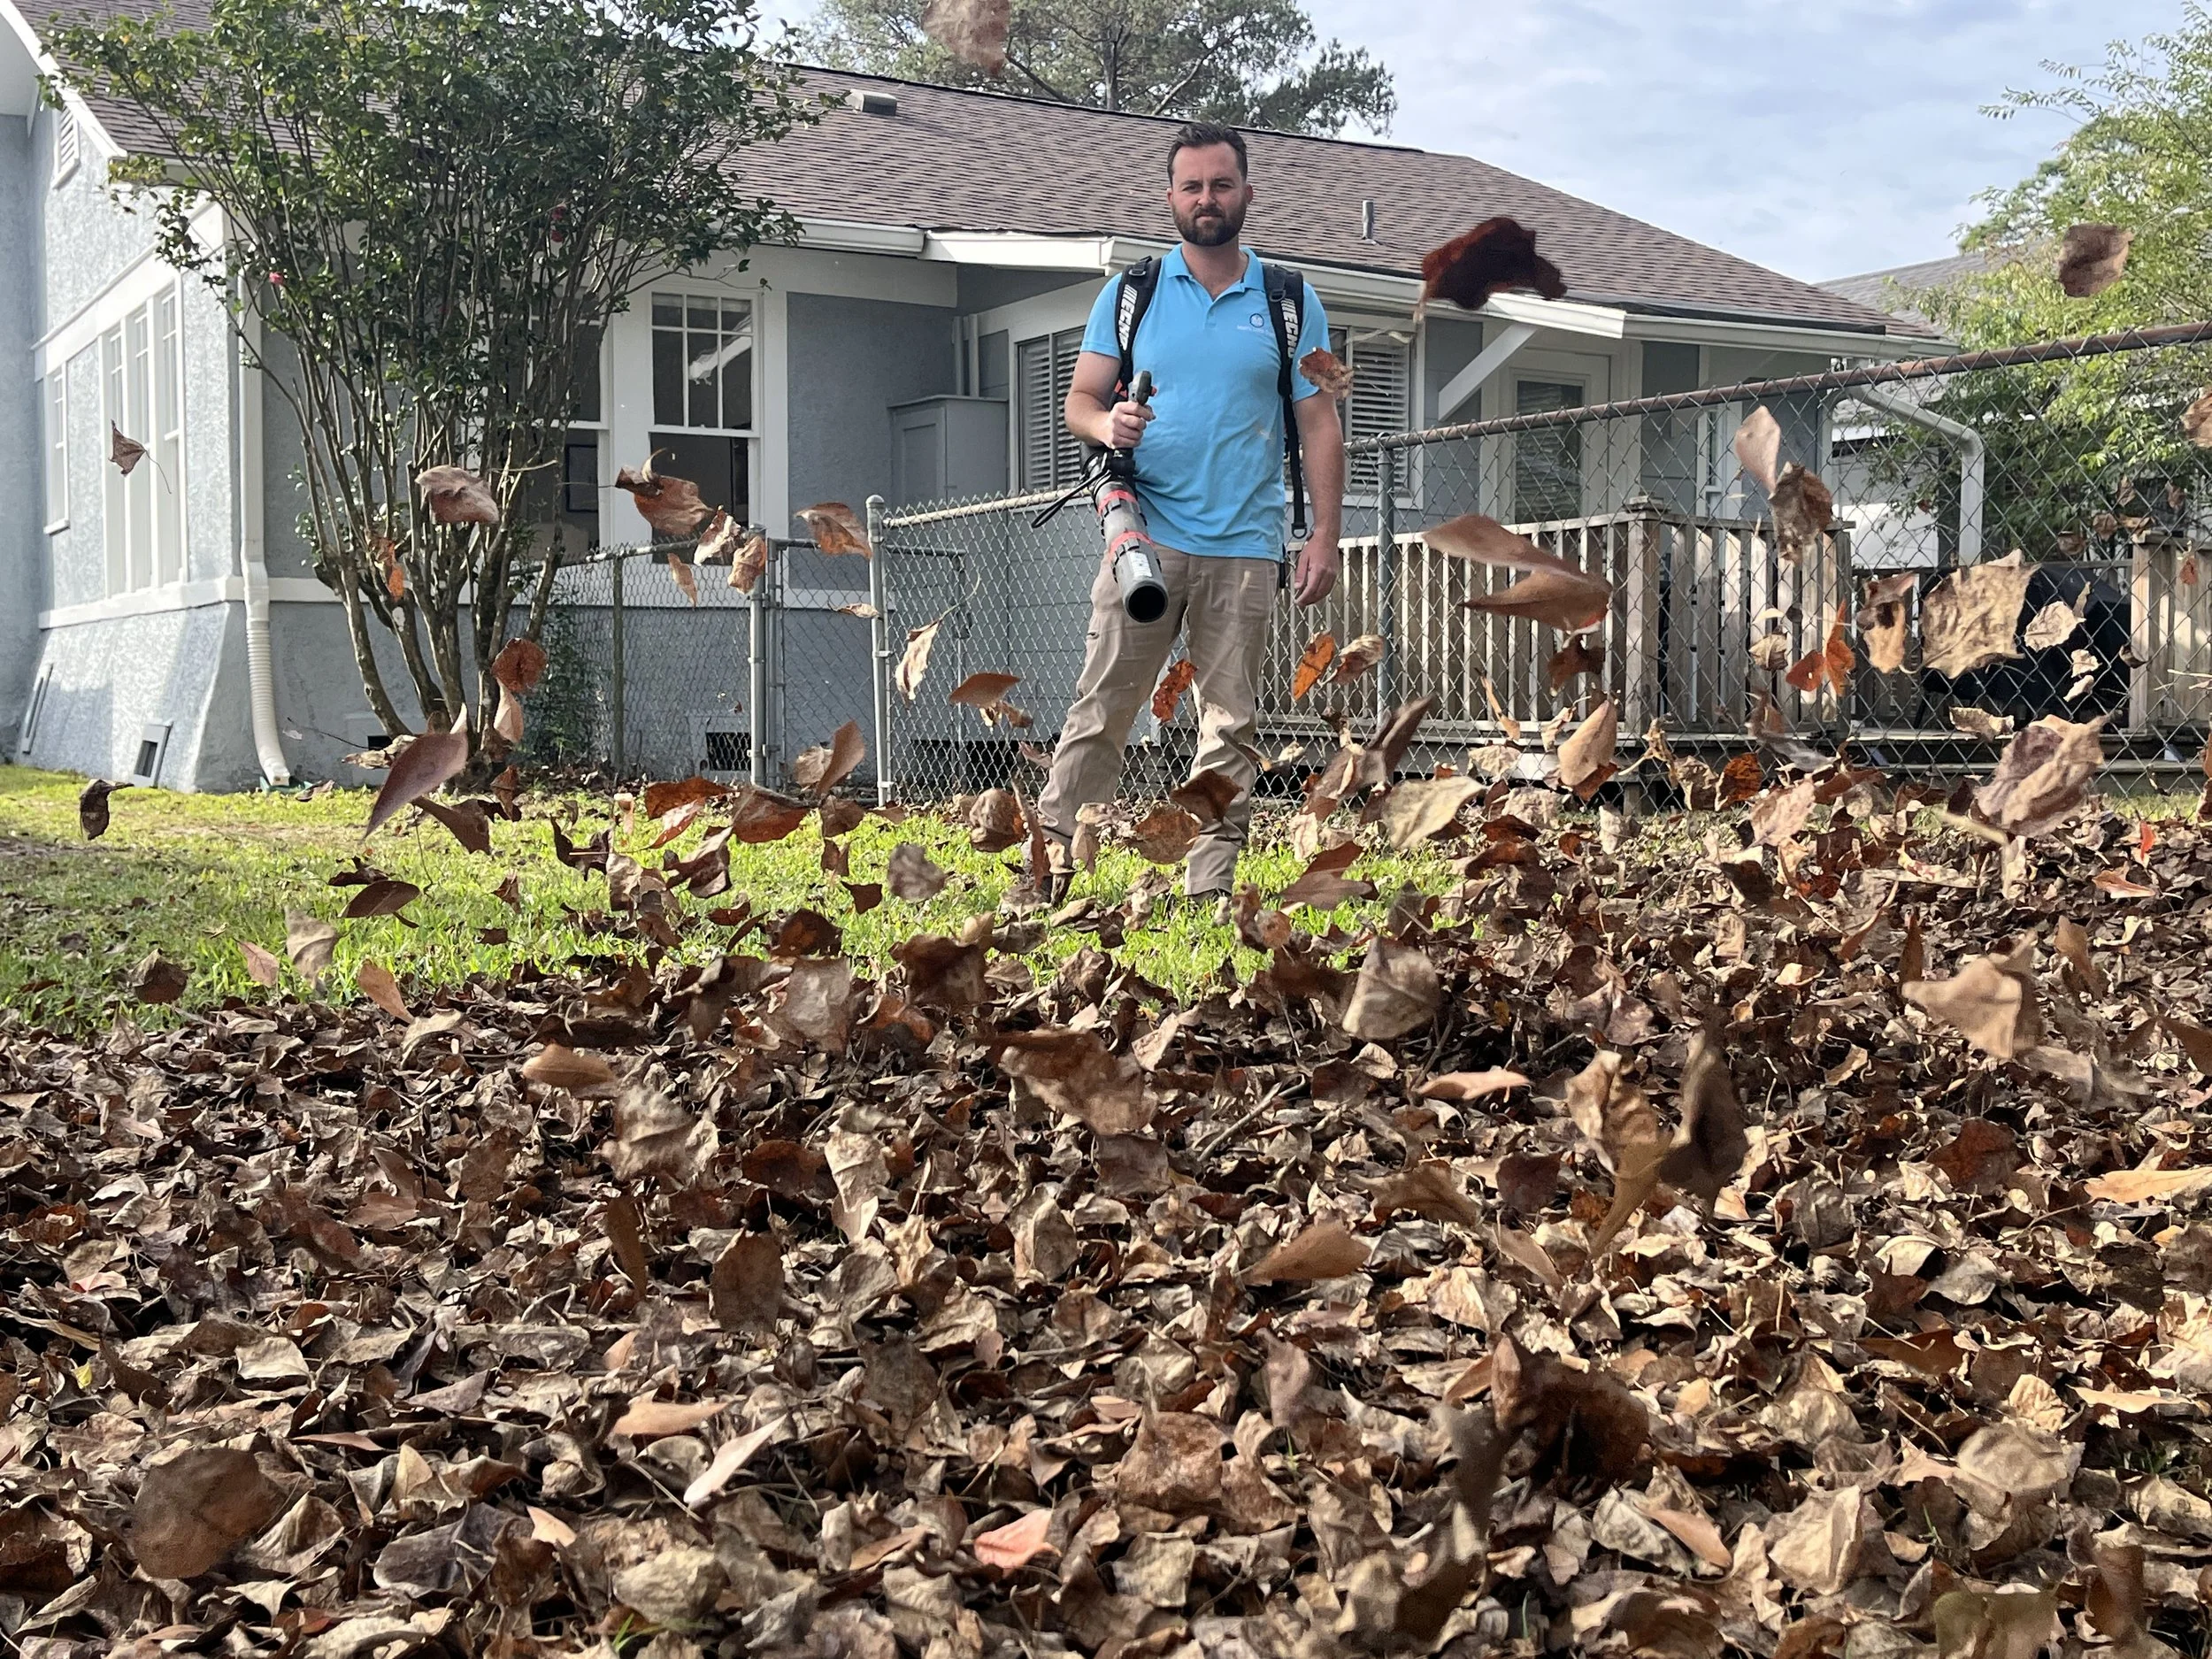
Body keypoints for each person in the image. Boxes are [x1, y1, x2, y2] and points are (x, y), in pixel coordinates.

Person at [1033, 120, 1345, 901]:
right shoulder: (1131, 293)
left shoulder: (1289, 299)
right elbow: (1078, 401)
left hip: (1246, 545)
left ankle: (1207, 890)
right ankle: (1051, 872)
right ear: (1171, 197)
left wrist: (1325, 536)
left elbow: (1319, 423)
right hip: (1144, 536)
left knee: (1228, 727)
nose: (1208, 198)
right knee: (1102, 708)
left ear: (1247, 192)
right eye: (1193, 186)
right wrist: (1108, 423)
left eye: (1222, 184)